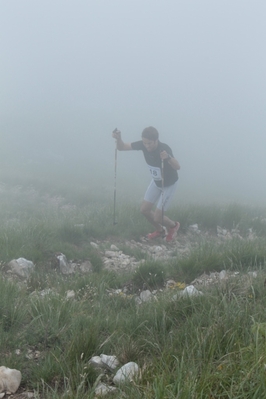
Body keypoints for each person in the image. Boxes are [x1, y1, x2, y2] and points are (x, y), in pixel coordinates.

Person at [112, 126, 180, 242]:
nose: (147, 146)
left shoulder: (164, 148)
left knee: (158, 217)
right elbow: (122, 147)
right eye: (145, 143)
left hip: (168, 184)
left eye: (150, 143)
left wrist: (168, 157)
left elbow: (177, 167)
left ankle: (173, 226)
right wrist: (118, 138)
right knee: (144, 210)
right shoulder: (143, 145)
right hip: (156, 181)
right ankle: (160, 230)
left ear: (156, 140)